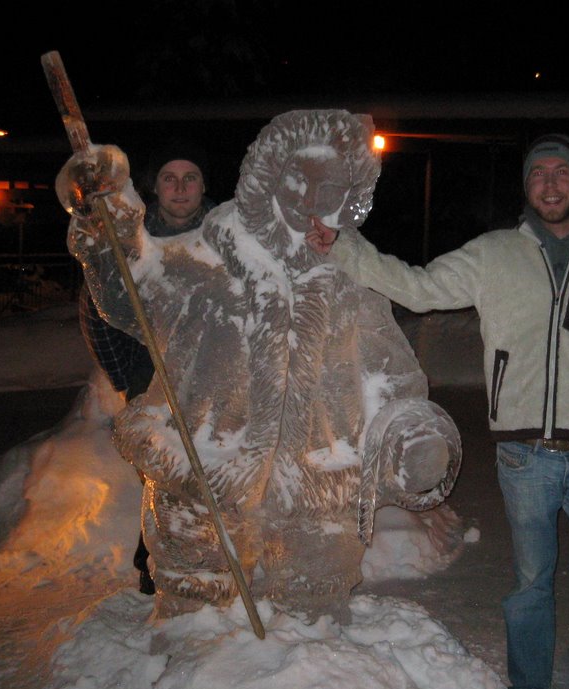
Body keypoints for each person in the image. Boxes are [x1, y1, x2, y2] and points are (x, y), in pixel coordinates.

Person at [310, 133, 569, 689]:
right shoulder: (494, 253)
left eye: (561, 173)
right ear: (527, 187)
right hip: (524, 453)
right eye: (538, 174)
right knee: (530, 584)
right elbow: (418, 286)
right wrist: (345, 246)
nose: (550, 183)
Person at [57, 109, 461, 622]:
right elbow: (131, 292)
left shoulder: (348, 279)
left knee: (314, 614)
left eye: (330, 185)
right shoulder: (206, 258)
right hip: (205, 470)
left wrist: (412, 432)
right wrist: (104, 223)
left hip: (319, 483)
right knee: (196, 616)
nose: (311, 198)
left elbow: (389, 372)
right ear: (269, 178)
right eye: (300, 178)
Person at [77, 139, 217, 595]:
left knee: (214, 466)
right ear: (154, 187)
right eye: (169, 178)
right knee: (163, 470)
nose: (180, 187)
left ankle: (215, 555)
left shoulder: (225, 235)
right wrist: (128, 378)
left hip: (212, 369)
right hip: (149, 371)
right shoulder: (130, 240)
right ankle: (155, 559)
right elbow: (96, 308)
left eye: (190, 177)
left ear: (203, 186)